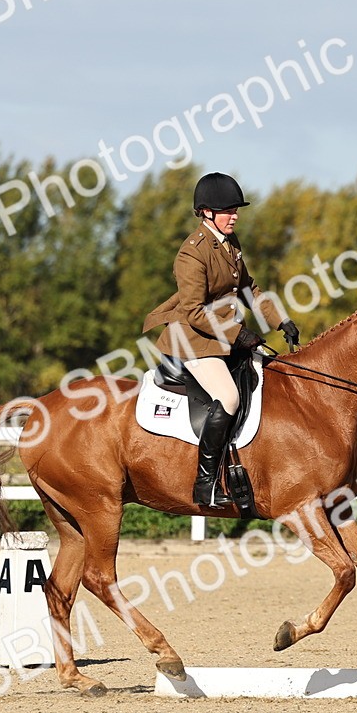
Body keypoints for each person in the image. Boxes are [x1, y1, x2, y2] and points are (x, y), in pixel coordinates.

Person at [143, 172, 301, 508]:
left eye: (236, 209)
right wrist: (240, 334)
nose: (235, 215)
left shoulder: (231, 244)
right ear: (206, 213)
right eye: (228, 210)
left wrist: (280, 321)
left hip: (222, 338)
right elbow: (193, 311)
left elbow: (249, 289)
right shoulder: (191, 253)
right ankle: (206, 484)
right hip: (193, 341)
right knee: (228, 397)